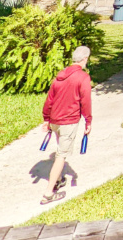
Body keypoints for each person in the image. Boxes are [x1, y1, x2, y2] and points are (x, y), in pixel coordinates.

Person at [40, 45, 92, 205]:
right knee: (61, 155)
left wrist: (46, 119)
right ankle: (48, 193)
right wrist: (88, 121)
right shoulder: (83, 77)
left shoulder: (60, 76)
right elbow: (86, 101)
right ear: (84, 59)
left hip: (55, 120)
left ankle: (59, 178)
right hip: (68, 121)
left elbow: (50, 99)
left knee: (60, 149)